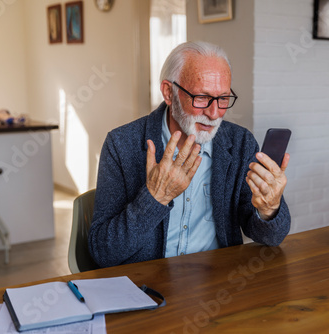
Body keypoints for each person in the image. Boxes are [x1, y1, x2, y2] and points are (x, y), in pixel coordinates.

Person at [89, 41, 291, 267]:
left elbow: (272, 238)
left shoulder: (240, 142)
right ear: (169, 92)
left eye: (223, 99)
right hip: (148, 287)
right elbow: (103, 253)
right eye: (202, 98)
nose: (214, 114)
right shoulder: (121, 144)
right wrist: (155, 198)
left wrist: (269, 209)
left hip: (220, 284)